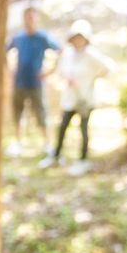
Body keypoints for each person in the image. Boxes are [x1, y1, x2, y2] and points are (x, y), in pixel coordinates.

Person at [40, 19, 115, 176]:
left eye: (80, 37)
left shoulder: (91, 54)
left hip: (85, 99)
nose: (77, 41)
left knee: (83, 129)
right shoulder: (68, 54)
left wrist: (93, 79)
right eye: (75, 37)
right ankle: (56, 155)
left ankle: (83, 160)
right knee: (62, 127)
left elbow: (108, 68)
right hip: (69, 98)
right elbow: (61, 71)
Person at [5, 7, 60, 158]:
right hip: (19, 82)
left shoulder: (42, 37)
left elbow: (59, 51)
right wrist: (10, 69)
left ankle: (47, 144)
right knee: (17, 113)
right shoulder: (18, 37)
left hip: (35, 83)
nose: (29, 20)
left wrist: (48, 72)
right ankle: (18, 142)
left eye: (32, 17)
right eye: (27, 17)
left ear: (36, 19)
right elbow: (5, 51)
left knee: (40, 113)